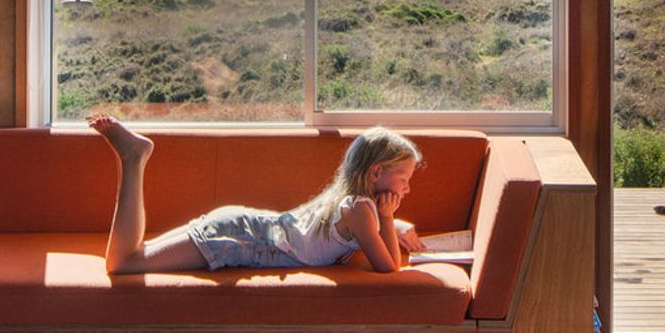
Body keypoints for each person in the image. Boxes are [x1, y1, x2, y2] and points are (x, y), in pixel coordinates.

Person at [89, 116, 429, 273]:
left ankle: (130, 160)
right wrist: (387, 218)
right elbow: (388, 268)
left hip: (242, 226)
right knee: (125, 263)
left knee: (136, 254)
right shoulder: (363, 211)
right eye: (404, 179)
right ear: (376, 173)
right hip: (241, 238)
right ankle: (133, 160)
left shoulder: (349, 203)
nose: (408, 188)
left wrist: (392, 223)